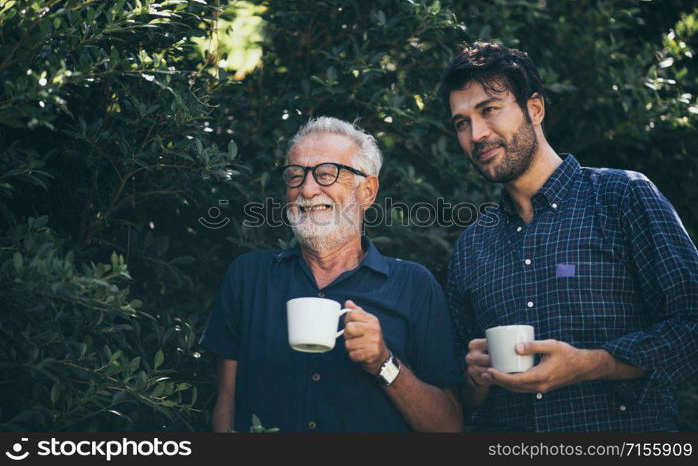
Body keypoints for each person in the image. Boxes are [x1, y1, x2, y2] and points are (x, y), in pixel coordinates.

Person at [440, 41, 698, 431]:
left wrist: (594, 364)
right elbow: (460, 401)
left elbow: (692, 323)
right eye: (462, 123)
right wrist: (474, 380)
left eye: (489, 110)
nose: (476, 134)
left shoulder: (623, 196)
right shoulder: (471, 247)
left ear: (535, 108)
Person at [199, 117, 463, 432]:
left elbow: (449, 428)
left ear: (367, 190)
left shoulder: (413, 286)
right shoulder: (248, 277)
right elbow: (225, 407)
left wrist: (384, 364)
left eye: (326, 174)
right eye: (295, 176)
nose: (307, 189)